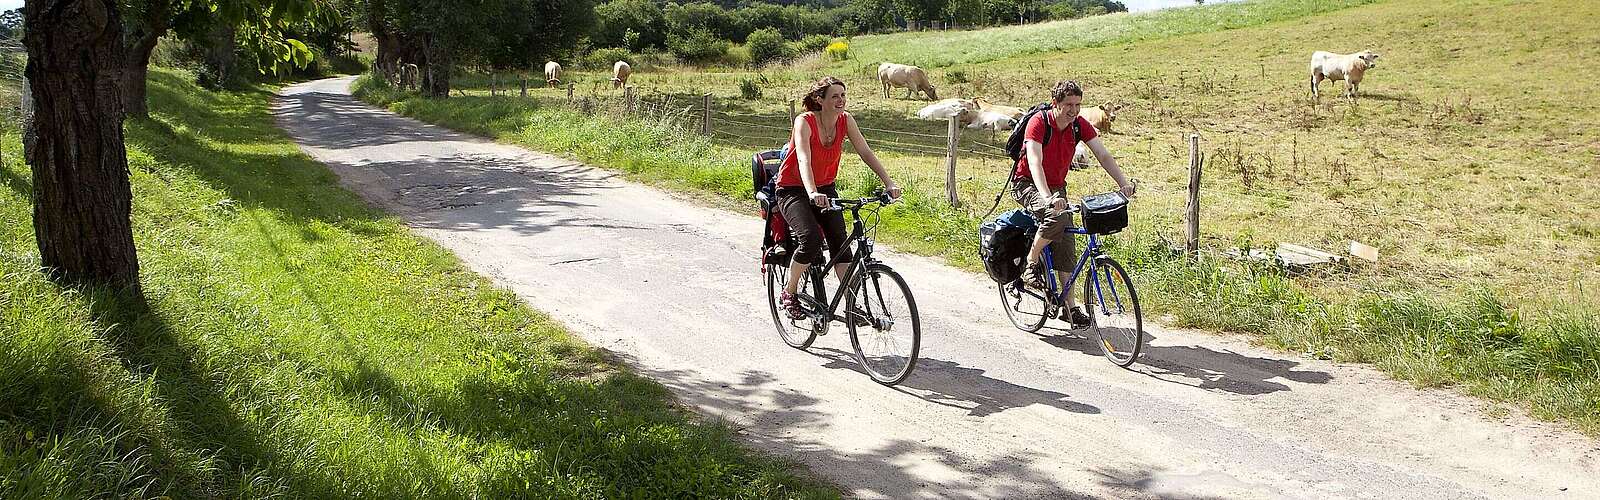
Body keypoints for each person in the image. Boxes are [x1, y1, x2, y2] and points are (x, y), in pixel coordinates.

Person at [777, 76, 903, 320]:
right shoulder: (804, 121)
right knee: (810, 239)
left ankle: (850, 304)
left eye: (843, 95)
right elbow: (803, 157)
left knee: (841, 244)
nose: (841, 100)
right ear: (819, 100)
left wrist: (889, 183)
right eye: (835, 96)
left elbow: (865, 151)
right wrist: (812, 192)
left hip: (825, 188)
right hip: (793, 189)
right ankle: (789, 292)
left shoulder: (846, 120)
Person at [1013, 80, 1136, 327]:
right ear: (1055, 103)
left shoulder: (1078, 125)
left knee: (1066, 243)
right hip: (1027, 183)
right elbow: (1035, 162)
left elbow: (1102, 155)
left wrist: (1123, 184)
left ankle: (1070, 308)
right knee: (1056, 218)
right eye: (1068, 104)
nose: (1074, 110)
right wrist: (1047, 197)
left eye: (1078, 105)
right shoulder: (1039, 123)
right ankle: (1031, 262)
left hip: (1057, 187)